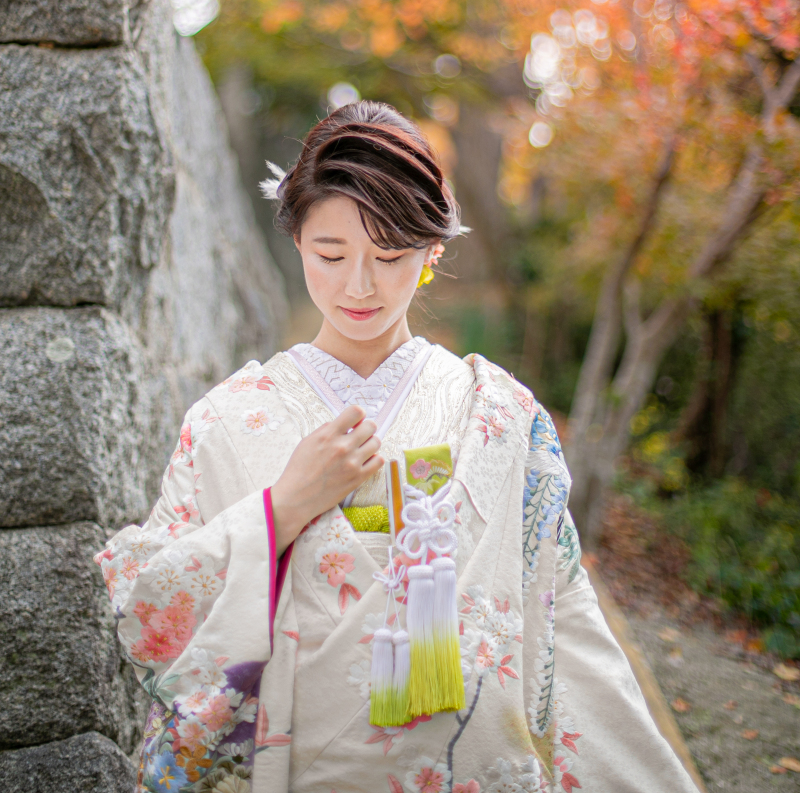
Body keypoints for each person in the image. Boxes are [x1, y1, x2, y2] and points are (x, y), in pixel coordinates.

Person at [96, 101, 696, 793]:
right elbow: (153, 604)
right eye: (331, 253)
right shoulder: (231, 418)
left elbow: (565, 621)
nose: (359, 285)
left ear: (433, 251)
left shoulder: (497, 415)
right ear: (296, 241)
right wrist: (282, 509)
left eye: (389, 257)